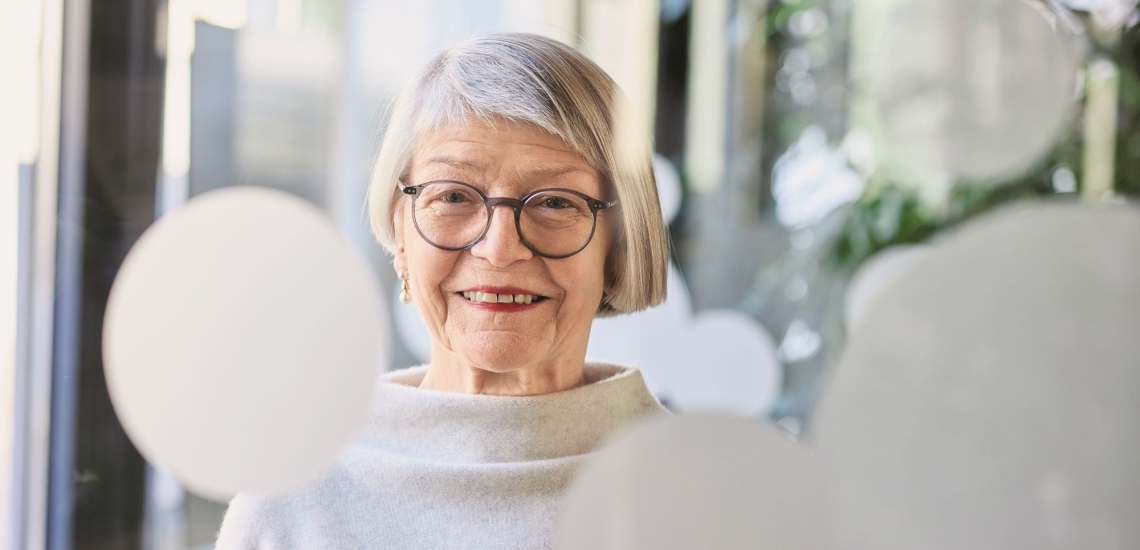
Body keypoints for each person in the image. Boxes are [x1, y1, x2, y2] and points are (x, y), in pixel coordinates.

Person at [215, 32, 670, 549]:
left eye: (555, 202)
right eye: (453, 195)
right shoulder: (290, 502)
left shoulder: (710, 496)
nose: (500, 249)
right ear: (401, 234)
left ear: (619, 247)